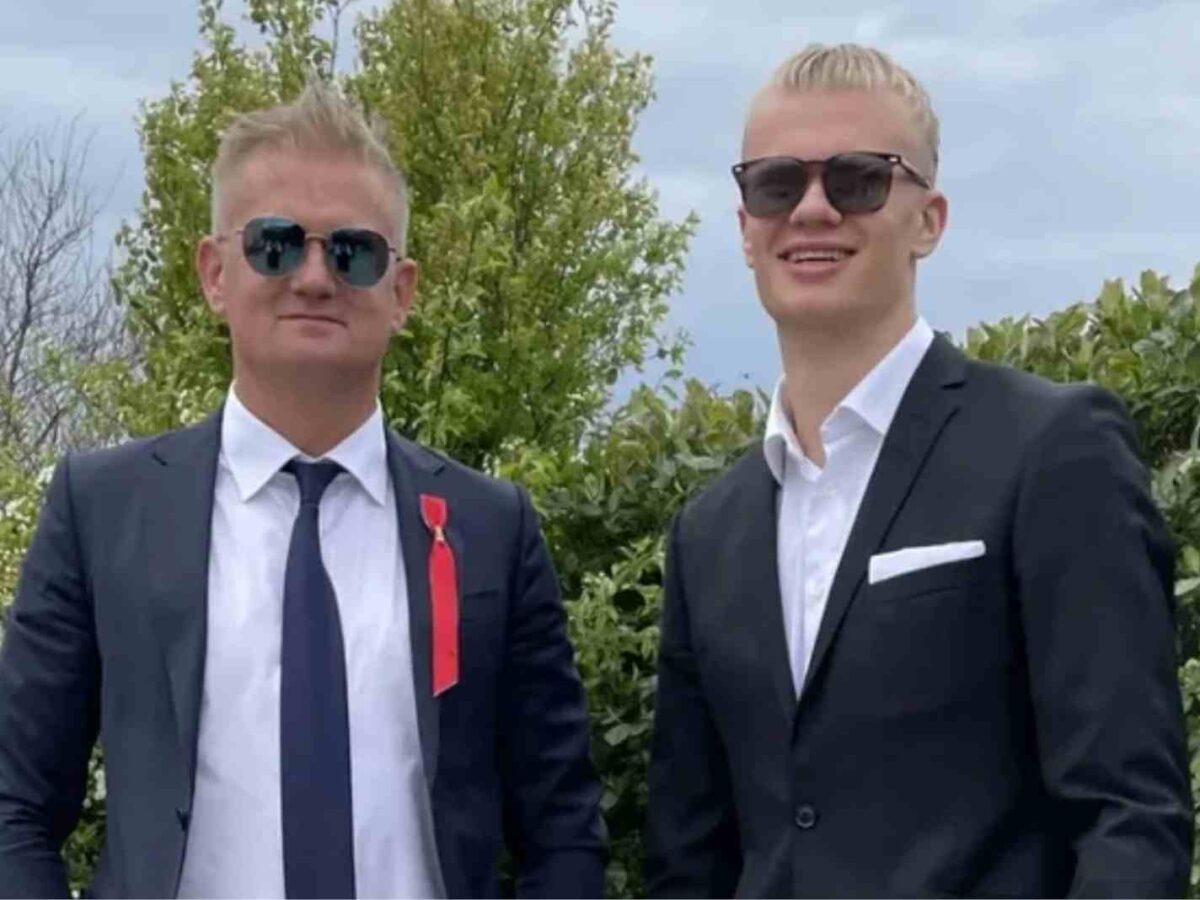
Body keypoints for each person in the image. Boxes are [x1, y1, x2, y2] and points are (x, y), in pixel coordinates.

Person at [0, 81, 604, 899]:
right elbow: (17, 803)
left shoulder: (490, 529)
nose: (316, 276)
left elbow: (562, 829)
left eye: (355, 251)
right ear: (215, 273)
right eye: (276, 244)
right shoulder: (102, 510)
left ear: (402, 291)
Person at [644, 43, 1191, 897]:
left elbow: (1128, 818)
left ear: (929, 219)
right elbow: (690, 861)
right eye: (776, 183)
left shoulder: (1051, 449)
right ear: (745, 228)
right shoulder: (709, 531)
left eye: (859, 178)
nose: (812, 209)